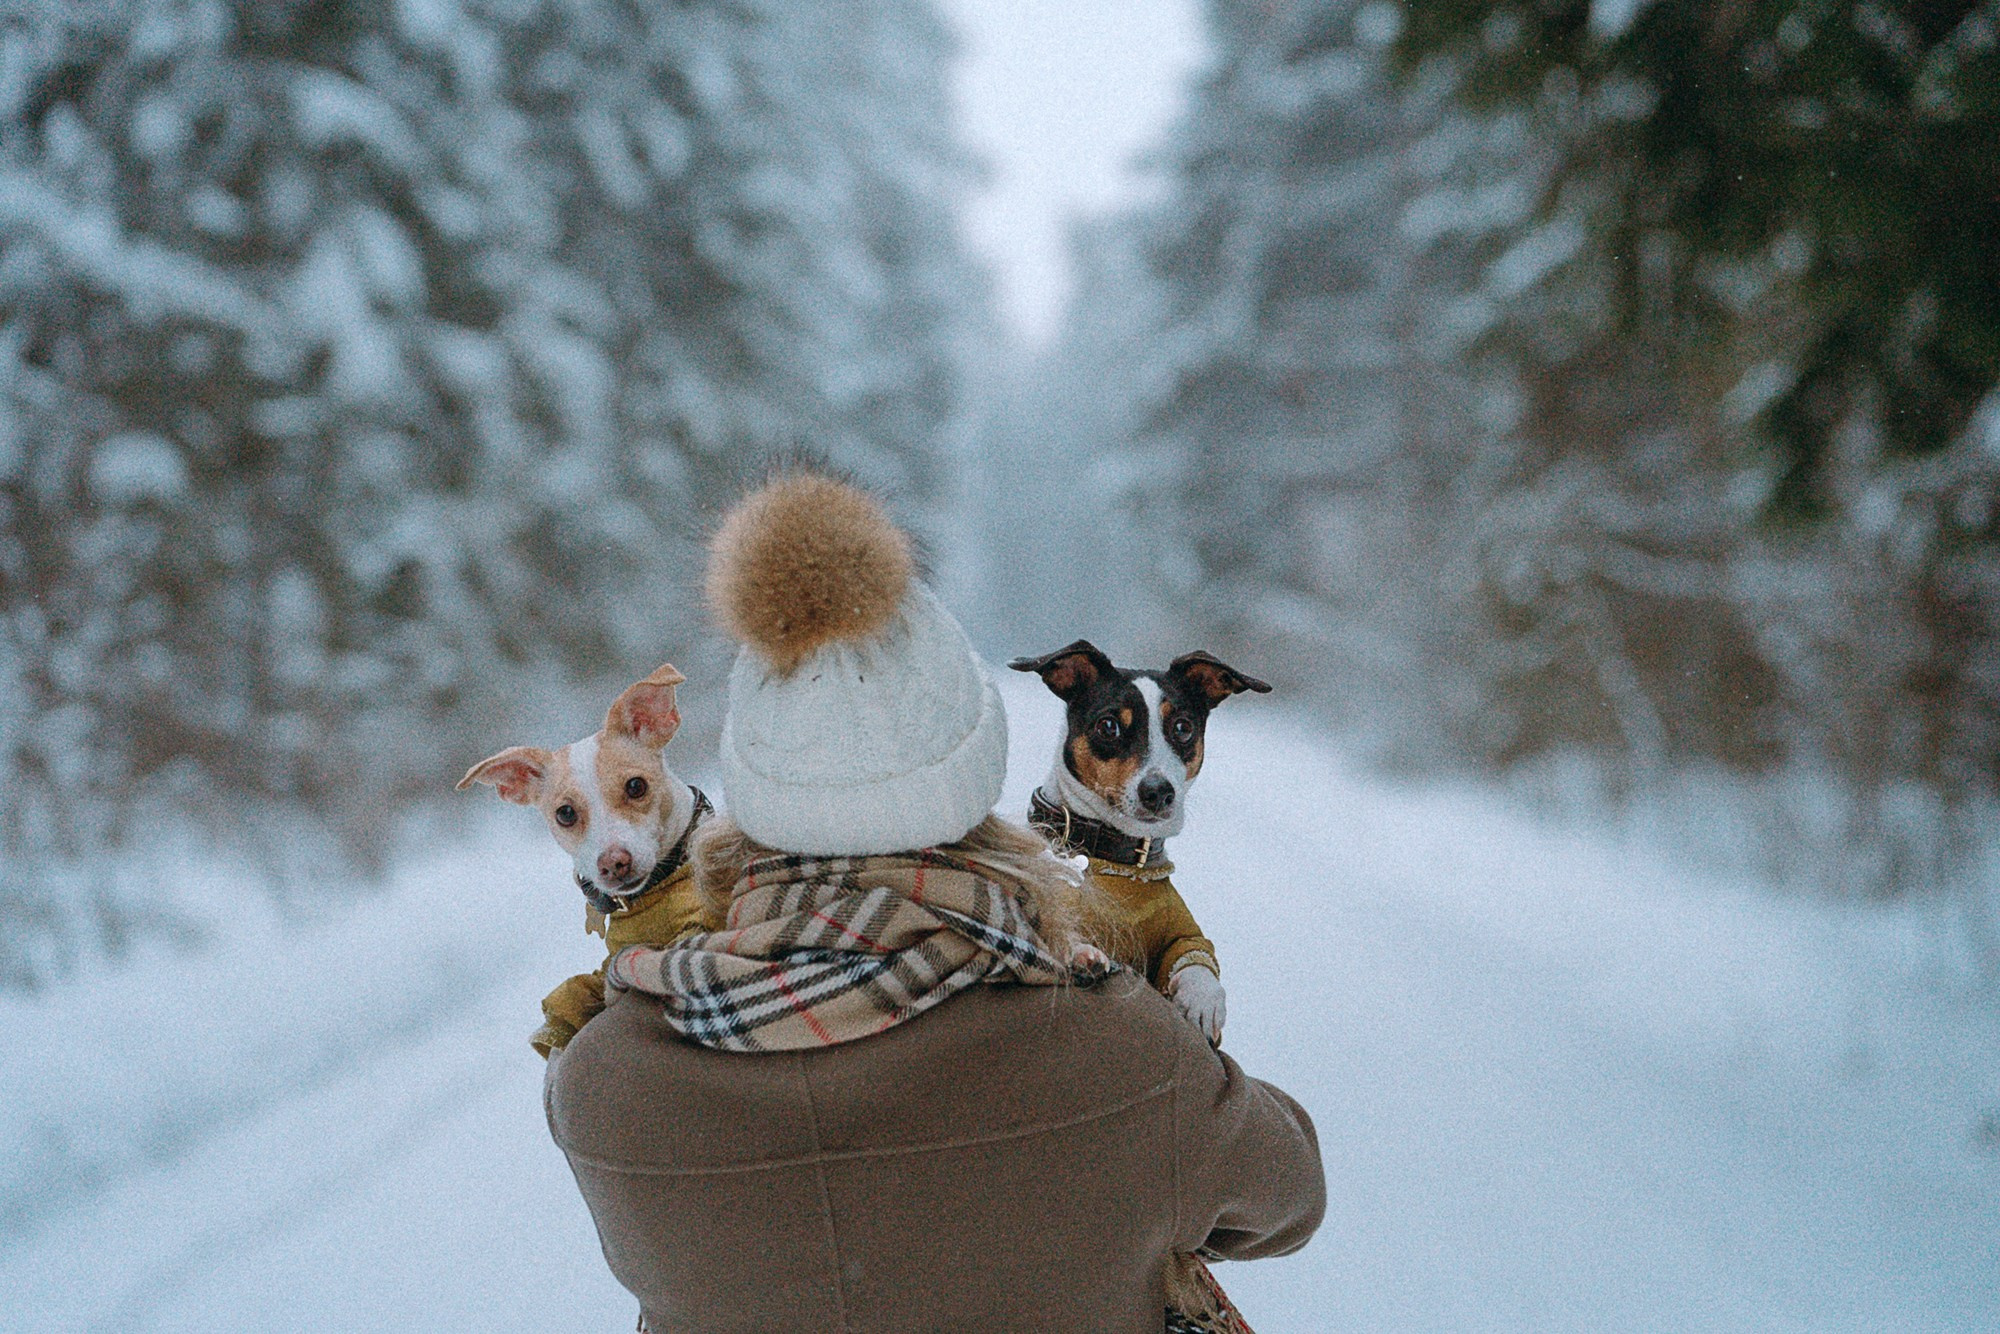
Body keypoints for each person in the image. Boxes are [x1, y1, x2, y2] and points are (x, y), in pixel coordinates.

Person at [544, 471, 1325, 1332]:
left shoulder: (603, 1081)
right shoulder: (1124, 1045)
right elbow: (1291, 1197)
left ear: (750, 797)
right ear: (968, 795)